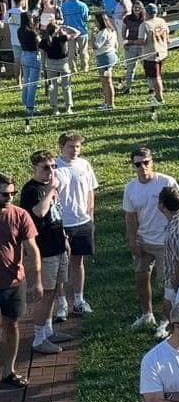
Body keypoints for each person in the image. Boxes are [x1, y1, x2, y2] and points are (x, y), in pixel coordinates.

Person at [20, 150, 72, 355]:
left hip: (58, 245)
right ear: (34, 168)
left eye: (53, 166)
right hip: (44, 250)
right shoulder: (31, 190)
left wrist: (64, 238)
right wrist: (50, 189)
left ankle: (48, 331)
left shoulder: (50, 187)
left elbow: (56, 214)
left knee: (54, 290)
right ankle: (38, 338)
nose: (50, 171)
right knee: (45, 294)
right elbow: (40, 212)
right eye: (46, 167)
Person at [125, 155, 179, 333]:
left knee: (168, 284)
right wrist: (132, 241)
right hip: (144, 241)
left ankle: (166, 320)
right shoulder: (131, 188)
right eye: (138, 164)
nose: (142, 166)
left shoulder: (166, 182)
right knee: (141, 277)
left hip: (165, 242)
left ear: (152, 162)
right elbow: (130, 217)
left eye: (146, 162)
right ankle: (147, 314)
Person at [0, 174, 40, 388]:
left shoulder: (20, 215)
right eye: (4, 194)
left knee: (11, 324)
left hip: (13, 282)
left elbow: (32, 249)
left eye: (12, 193)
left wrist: (37, 280)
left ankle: (9, 370)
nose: (9, 198)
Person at [55, 132, 98, 317]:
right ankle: (62, 303)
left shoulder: (84, 165)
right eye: (71, 146)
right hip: (61, 224)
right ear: (62, 147)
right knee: (60, 266)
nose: (75, 150)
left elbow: (90, 191)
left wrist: (90, 215)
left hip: (82, 222)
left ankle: (79, 300)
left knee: (78, 262)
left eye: (78, 146)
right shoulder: (55, 167)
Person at [39, 17, 80, 114]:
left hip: (50, 65)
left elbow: (43, 55)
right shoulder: (62, 38)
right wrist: (65, 26)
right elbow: (77, 33)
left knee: (53, 87)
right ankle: (68, 108)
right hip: (63, 64)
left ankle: (55, 109)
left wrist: (44, 67)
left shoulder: (44, 41)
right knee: (66, 86)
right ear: (56, 30)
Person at [141, 3, 171, 105]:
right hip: (162, 52)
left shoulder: (145, 24)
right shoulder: (161, 21)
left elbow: (142, 41)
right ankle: (157, 95)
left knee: (155, 77)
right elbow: (167, 36)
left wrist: (130, 42)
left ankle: (159, 98)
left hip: (151, 54)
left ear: (146, 13)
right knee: (158, 76)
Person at [92, 11, 120, 110]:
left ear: (100, 21)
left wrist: (92, 36)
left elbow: (96, 46)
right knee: (105, 82)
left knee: (107, 82)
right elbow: (116, 45)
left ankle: (110, 104)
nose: (94, 22)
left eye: (95, 20)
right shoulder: (112, 30)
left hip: (105, 58)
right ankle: (106, 102)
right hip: (110, 55)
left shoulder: (103, 32)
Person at [59, 0, 90, 72]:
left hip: (70, 33)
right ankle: (84, 68)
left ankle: (73, 69)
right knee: (83, 51)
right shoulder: (83, 5)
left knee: (71, 52)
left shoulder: (64, 5)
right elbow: (86, 18)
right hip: (82, 31)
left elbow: (62, 18)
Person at [17, 11, 42, 117]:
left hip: (24, 55)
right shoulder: (32, 32)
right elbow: (40, 42)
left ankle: (25, 102)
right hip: (33, 56)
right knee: (33, 83)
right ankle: (30, 108)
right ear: (29, 19)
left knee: (26, 81)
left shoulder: (19, 30)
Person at [121, 0, 146, 93]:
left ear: (142, 9)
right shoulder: (127, 18)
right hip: (130, 45)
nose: (137, 9)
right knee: (130, 68)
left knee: (147, 66)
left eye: (139, 7)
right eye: (135, 7)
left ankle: (151, 87)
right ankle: (128, 87)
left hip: (143, 45)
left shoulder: (145, 18)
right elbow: (123, 31)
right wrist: (125, 42)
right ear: (132, 8)